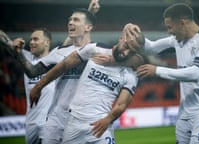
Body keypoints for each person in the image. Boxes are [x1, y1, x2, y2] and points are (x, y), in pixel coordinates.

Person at [123, 3, 199, 144]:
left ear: (182, 23)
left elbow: (196, 73)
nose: (169, 31)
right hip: (185, 109)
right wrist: (136, 34)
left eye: (170, 27)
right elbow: (150, 48)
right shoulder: (176, 41)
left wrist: (157, 70)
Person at [7, 1, 100, 143]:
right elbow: (32, 71)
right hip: (57, 121)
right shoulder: (59, 52)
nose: (70, 23)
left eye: (75, 20)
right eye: (69, 20)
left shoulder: (98, 52)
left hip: (85, 120)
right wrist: (18, 53)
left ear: (88, 27)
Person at [30, 30, 145, 144]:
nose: (126, 53)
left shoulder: (131, 74)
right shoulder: (94, 49)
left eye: (132, 51)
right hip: (73, 123)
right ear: (121, 38)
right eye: (126, 46)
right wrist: (39, 86)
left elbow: (121, 104)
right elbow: (64, 65)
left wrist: (107, 120)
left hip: (101, 125)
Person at [12, 28, 56, 144]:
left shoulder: (55, 58)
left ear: (47, 42)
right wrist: (12, 44)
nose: (31, 42)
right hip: (31, 122)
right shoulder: (26, 57)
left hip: (49, 122)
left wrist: (89, 13)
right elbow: (5, 44)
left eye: (36, 39)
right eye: (31, 39)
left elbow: (71, 41)